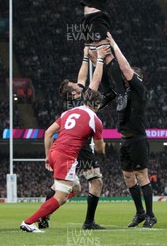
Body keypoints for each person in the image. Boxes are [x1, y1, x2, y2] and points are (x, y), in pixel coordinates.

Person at [42, 46, 109, 230]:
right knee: (96, 181)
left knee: (68, 188)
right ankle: (89, 222)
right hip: (81, 146)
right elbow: (94, 80)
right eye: (73, 85)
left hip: (67, 145)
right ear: (73, 93)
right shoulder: (85, 99)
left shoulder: (74, 100)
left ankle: (45, 214)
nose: (76, 82)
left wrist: (85, 57)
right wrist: (100, 59)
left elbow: (81, 78)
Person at [20, 89, 105, 233]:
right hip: (66, 157)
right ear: (97, 104)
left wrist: (47, 156)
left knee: (76, 189)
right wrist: (104, 146)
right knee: (61, 196)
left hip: (54, 152)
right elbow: (99, 150)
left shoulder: (68, 113)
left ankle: (46, 211)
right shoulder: (95, 120)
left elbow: (48, 132)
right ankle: (29, 222)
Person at [106, 32, 157, 228]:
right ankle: (140, 213)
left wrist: (113, 43)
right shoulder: (125, 91)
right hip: (125, 139)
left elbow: (125, 68)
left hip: (137, 139)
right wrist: (102, 53)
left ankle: (151, 215)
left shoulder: (139, 89)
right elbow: (115, 69)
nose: (126, 79)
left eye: (130, 77)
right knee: (128, 176)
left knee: (141, 175)